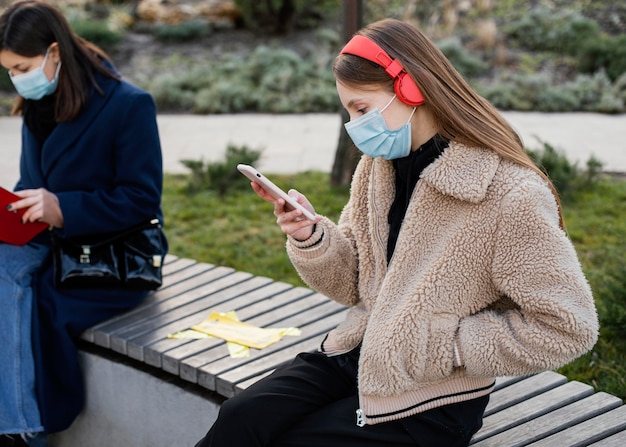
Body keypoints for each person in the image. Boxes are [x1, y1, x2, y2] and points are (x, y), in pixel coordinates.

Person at [195, 18, 599, 447]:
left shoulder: (508, 193)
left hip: (432, 399)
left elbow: (568, 327)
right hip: (360, 354)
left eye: (362, 109)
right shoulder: (378, 168)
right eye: (348, 111)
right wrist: (310, 236)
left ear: (412, 88)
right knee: (240, 418)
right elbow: (354, 284)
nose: (354, 126)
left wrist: (441, 346)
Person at [0, 1, 166, 445]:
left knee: (27, 296)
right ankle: (16, 419)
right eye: (9, 70)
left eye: (22, 67)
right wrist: (17, 207)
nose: (16, 78)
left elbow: (142, 199)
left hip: (116, 254)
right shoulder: (38, 106)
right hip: (54, 241)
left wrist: (63, 209)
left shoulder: (128, 105)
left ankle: (25, 428)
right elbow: (31, 184)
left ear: (54, 53)